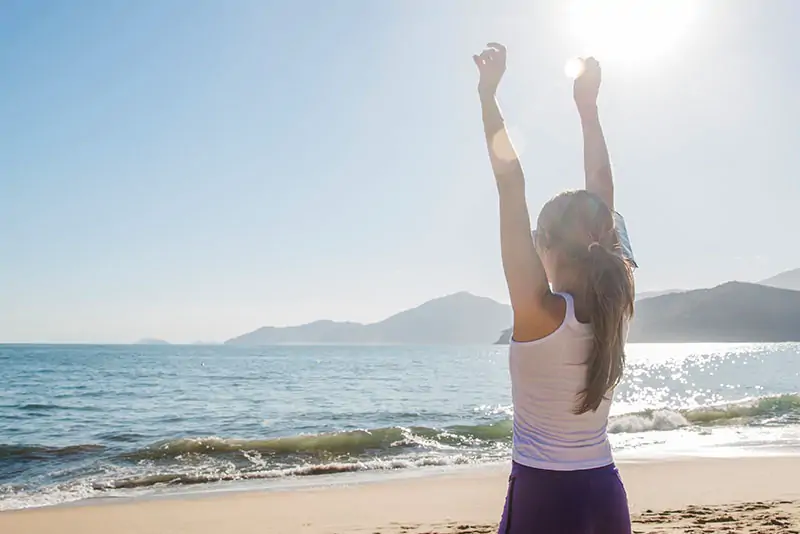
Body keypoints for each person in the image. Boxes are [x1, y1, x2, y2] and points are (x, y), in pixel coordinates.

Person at [473, 43, 636, 534]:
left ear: (543, 247)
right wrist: (588, 110)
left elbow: (510, 185)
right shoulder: (618, 302)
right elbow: (602, 190)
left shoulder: (538, 312)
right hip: (604, 495)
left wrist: (487, 94)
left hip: (544, 497)